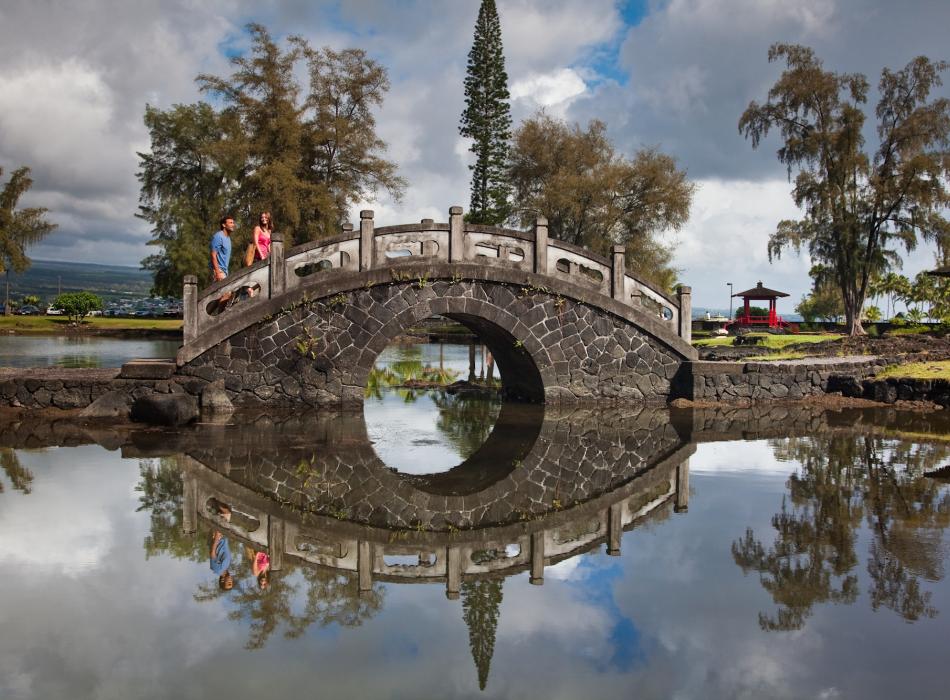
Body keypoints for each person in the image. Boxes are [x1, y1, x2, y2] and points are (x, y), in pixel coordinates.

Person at [245, 212, 273, 297]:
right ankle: (251, 289)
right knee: (262, 275)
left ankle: (253, 289)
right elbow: (256, 243)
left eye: (265, 217)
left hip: (265, 256)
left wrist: (271, 255)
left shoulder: (269, 231)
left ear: (268, 219)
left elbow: (268, 245)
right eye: (262, 217)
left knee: (269, 275)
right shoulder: (257, 228)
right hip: (257, 256)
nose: (263, 219)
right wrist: (261, 255)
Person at [210, 215, 235, 307]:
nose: (233, 225)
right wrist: (217, 272)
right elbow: (213, 254)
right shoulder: (218, 236)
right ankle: (220, 318)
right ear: (224, 225)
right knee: (226, 294)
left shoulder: (228, 238)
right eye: (231, 223)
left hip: (224, 271)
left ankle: (217, 317)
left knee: (220, 297)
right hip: (219, 270)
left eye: (233, 223)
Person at [209, 502, 233, 591]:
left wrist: (216, 538)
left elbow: (212, 554)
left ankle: (214, 497)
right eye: (232, 583)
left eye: (229, 583)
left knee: (226, 513)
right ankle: (214, 500)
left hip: (218, 537)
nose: (231, 580)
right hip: (223, 536)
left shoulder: (217, 570)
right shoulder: (225, 568)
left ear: (222, 581)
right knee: (223, 512)